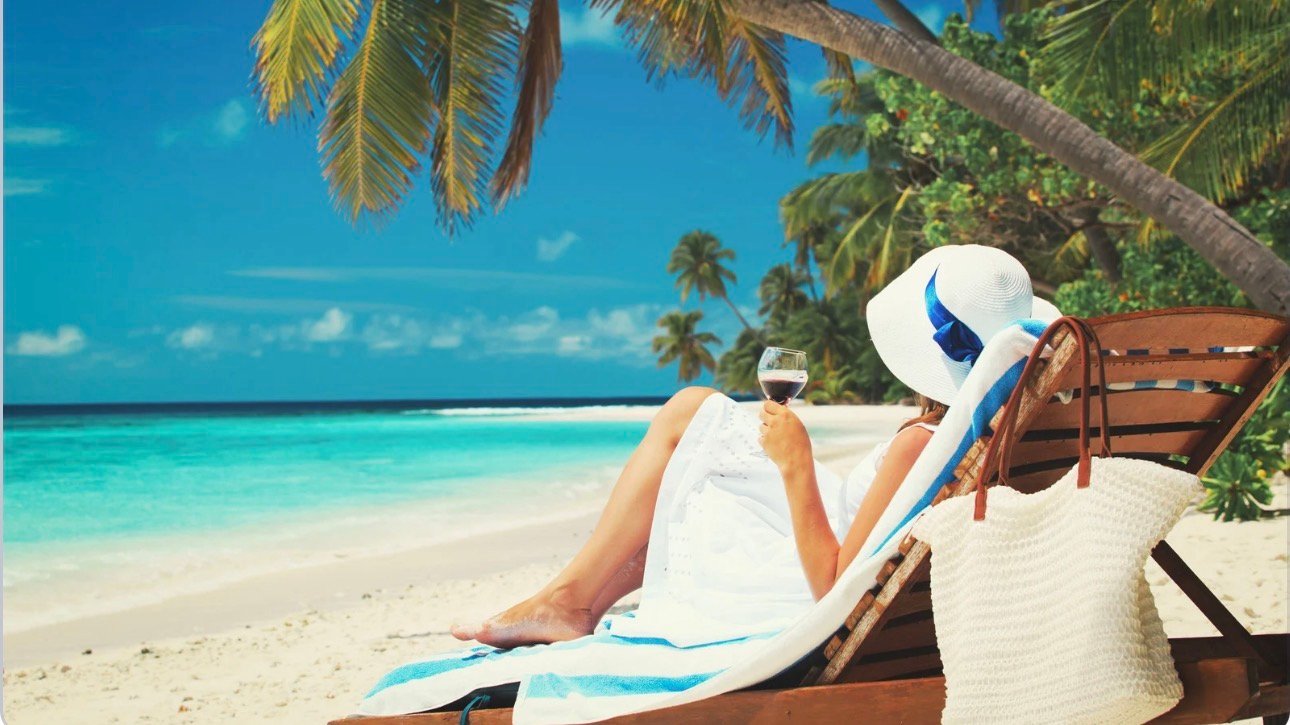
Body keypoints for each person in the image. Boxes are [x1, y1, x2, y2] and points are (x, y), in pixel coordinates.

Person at [451, 245, 1059, 649]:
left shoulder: (921, 443)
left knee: (689, 414)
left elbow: (833, 588)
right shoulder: (1011, 426)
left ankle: (567, 602)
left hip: (810, 569)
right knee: (697, 425)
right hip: (852, 541)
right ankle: (572, 603)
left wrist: (795, 464)